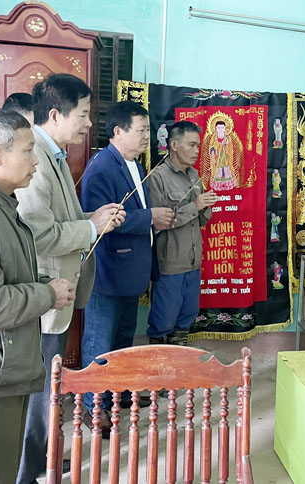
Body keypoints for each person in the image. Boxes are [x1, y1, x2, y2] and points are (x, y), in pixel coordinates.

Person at [13, 73, 125, 484]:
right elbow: (39, 234)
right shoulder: (36, 160)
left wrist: (93, 219)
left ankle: (43, 459)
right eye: (83, 114)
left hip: (59, 294)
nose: (89, 123)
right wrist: (92, 227)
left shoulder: (54, 154)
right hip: (44, 297)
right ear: (56, 115)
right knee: (37, 394)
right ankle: (26, 472)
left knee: (49, 390)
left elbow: (63, 219)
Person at [0, 109, 76, 484]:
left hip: (5, 366)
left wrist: (41, 283)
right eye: (27, 151)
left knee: (3, 468)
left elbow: (6, 273)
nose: (36, 161)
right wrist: (46, 294)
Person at [80, 101, 174, 435]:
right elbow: (100, 219)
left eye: (148, 130)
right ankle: (93, 407)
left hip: (131, 270)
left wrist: (151, 217)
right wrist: (150, 217)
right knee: (100, 342)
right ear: (118, 131)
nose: (148, 136)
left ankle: (116, 394)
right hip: (108, 271)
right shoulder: (102, 167)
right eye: (141, 130)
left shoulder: (134, 163)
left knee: (121, 340)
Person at [147, 121, 217, 344]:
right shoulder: (158, 177)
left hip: (193, 260)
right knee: (163, 322)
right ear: (174, 145)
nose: (197, 151)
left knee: (185, 322)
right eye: (192, 145)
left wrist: (205, 207)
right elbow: (158, 221)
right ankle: (158, 361)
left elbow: (201, 220)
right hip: (171, 262)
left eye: (198, 146)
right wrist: (195, 206)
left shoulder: (194, 175)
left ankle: (180, 357)